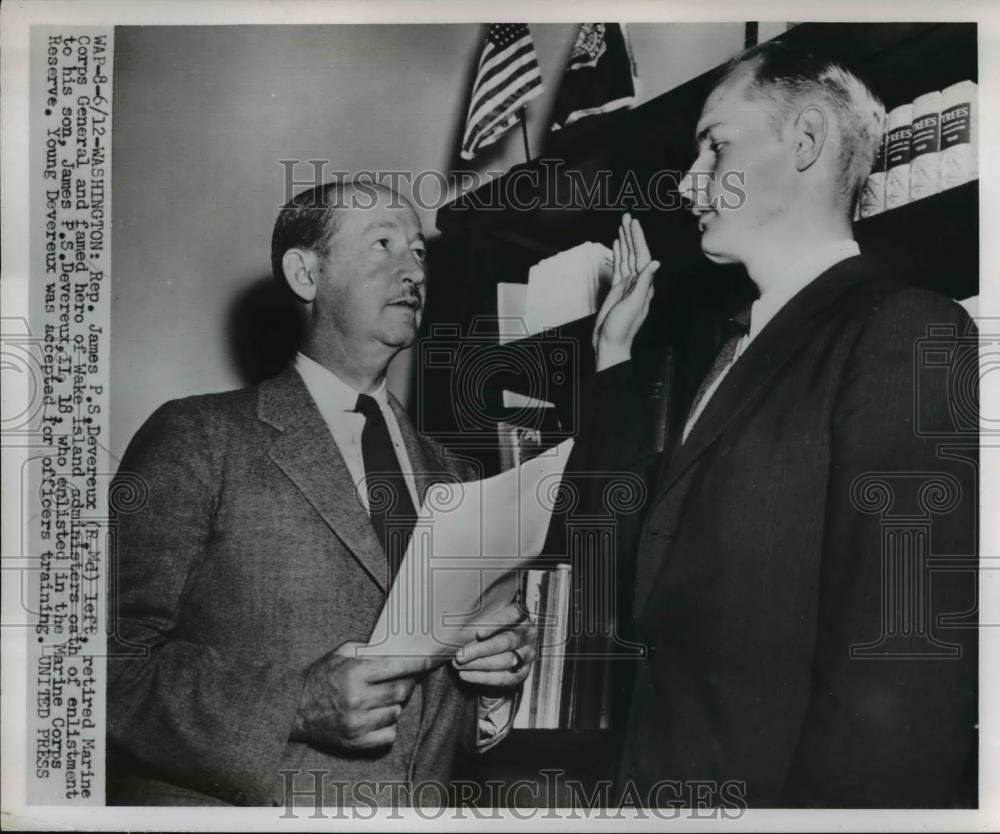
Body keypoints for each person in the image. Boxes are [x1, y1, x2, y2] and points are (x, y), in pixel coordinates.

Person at [582, 40, 978, 807]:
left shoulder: (903, 330)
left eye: (715, 144)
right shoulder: (731, 348)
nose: (688, 179)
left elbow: (904, 672)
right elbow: (623, 560)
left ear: (806, 141)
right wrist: (611, 356)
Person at [106, 181, 537, 807]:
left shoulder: (459, 479)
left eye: (420, 251)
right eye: (383, 244)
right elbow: (93, 665)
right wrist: (296, 704)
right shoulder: (198, 436)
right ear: (306, 273)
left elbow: (445, 723)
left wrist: (494, 685)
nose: (413, 268)